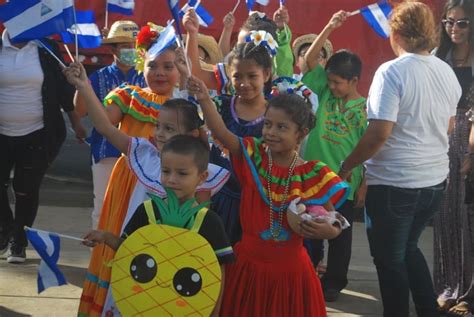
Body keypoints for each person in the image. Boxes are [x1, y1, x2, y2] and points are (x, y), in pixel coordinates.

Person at [187, 75, 349, 316]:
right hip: (247, 268)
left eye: (281, 127)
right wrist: (204, 99)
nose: (271, 132)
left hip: (291, 273)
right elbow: (221, 132)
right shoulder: (254, 157)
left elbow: (331, 215)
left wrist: (331, 230)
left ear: (301, 133)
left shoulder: (310, 173)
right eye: (268, 124)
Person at [338, 2, 462, 316]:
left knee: (389, 261)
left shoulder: (391, 71)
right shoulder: (445, 71)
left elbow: (379, 133)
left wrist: (347, 165)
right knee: (406, 250)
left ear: (396, 32)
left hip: (395, 184)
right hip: (433, 183)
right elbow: (448, 126)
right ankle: (427, 310)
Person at [71, 23, 188, 316]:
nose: (160, 72)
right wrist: (84, 86)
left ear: (180, 68)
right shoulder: (130, 95)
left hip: (169, 188)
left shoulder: (187, 105)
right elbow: (103, 123)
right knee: (119, 239)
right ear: (141, 64)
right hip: (128, 184)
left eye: (168, 66)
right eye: (153, 65)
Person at [80, 135, 235, 317]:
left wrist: (214, 312)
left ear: (202, 177)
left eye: (182, 173)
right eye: (166, 171)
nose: (171, 179)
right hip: (144, 308)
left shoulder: (209, 222)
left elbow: (218, 272)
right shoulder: (147, 211)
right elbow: (128, 250)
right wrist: (106, 237)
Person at [0, 30, 85, 264]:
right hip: (1, 135)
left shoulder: (46, 48)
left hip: (39, 133)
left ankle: (19, 241)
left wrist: (77, 122)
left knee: (25, 188)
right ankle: (5, 228)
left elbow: (63, 90)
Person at [300, 11, 367, 302]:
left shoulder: (365, 109)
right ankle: (309, 273)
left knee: (340, 233)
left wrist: (364, 184)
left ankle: (334, 282)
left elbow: (370, 150)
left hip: (343, 184)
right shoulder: (325, 92)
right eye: (329, 81)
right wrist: (328, 26)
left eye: (338, 83)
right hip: (314, 178)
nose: (332, 87)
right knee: (309, 226)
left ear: (353, 81)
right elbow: (309, 62)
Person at [75, 20, 145, 229]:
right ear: (113, 49)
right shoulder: (100, 76)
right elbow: (80, 111)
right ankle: (100, 257)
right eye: (125, 46)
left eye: (134, 46)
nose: (131, 50)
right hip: (107, 151)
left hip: (142, 152)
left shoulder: (148, 74)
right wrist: (82, 83)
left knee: (137, 208)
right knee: (103, 207)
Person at [433, 1, 474, 315]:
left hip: (471, 140)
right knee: (444, 216)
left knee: (468, 219)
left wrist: (471, 153)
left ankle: (469, 293)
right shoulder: (437, 58)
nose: (455, 29)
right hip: (442, 140)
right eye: (449, 22)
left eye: (462, 23)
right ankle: (447, 286)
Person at [184, 8, 294, 96]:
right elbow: (196, 73)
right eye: (240, 46)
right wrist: (192, 34)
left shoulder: (285, 88)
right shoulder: (229, 76)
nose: (243, 52)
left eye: (251, 48)